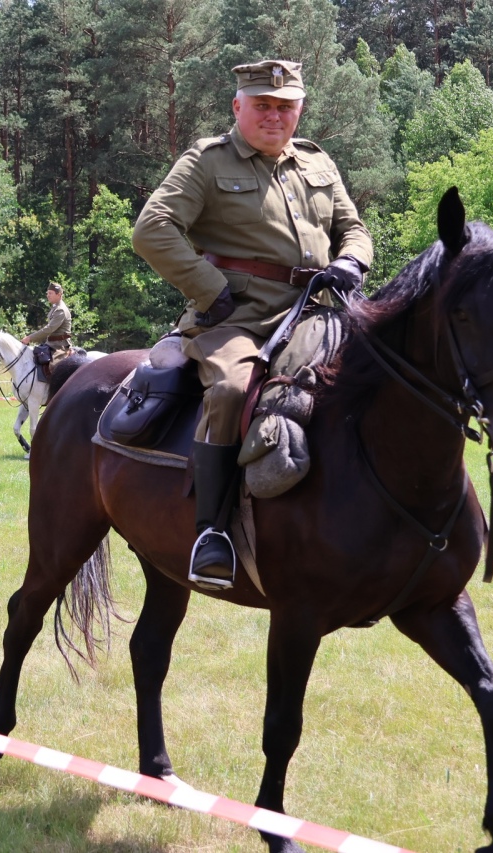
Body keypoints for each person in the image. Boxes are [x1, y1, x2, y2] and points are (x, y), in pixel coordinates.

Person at [132, 59, 373, 591]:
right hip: (235, 320)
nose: (274, 115)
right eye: (262, 104)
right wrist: (210, 289)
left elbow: (353, 228)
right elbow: (152, 230)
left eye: (285, 106)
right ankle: (212, 533)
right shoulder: (207, 161)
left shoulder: (316, 162)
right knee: (235, 389)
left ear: (300, 109)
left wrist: (352, 260)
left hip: (317, 313)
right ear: (238, 106)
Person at [22, 283, 72, 360]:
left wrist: (30, 338)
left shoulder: (60, 310)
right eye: (47, 293)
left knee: (53, 367)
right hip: (51, 345)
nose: (48, 295)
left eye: (50, 293)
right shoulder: (55, 308)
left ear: (59, 294)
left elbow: (49, 329)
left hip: (60, 347)